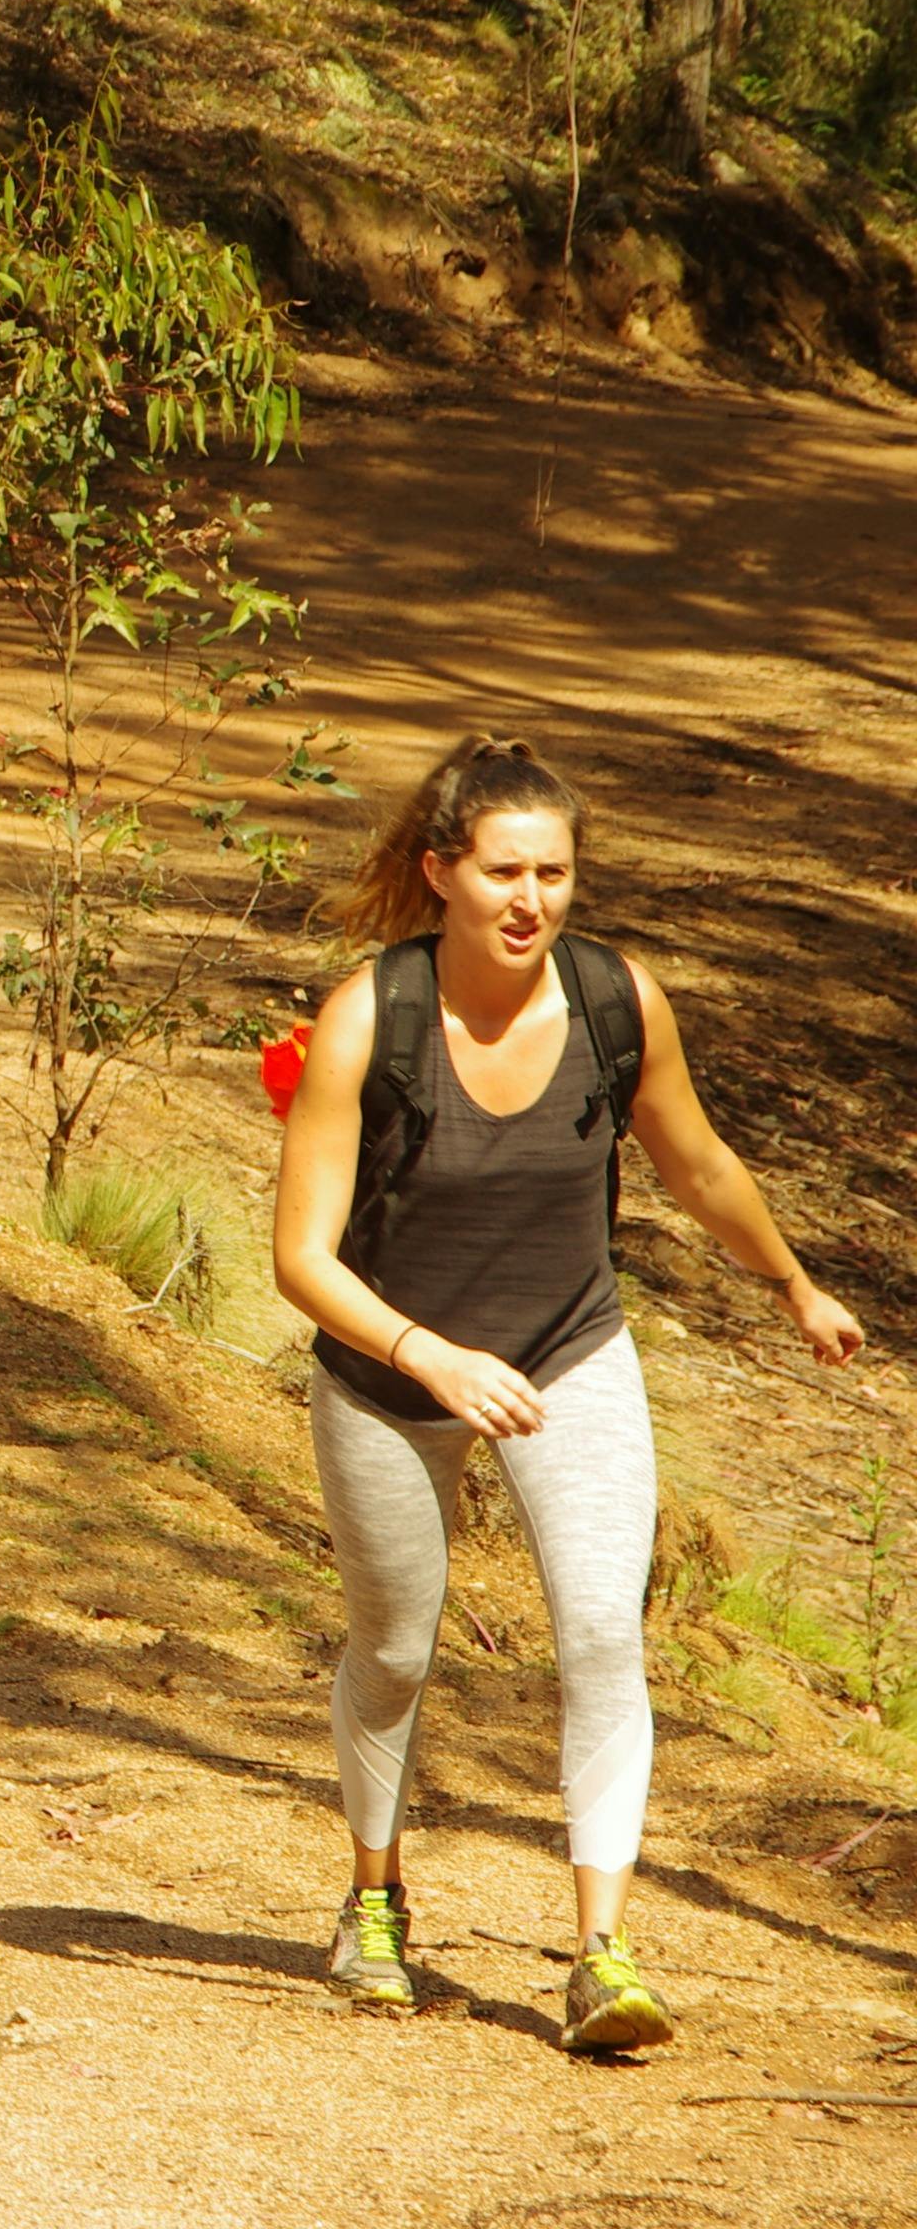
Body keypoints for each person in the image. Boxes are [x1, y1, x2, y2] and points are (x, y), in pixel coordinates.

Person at [272, 735, 865, 2054]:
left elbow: (699, 1165)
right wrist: (429, 1355)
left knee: (602, 1638)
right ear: (441, 872)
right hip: (389, 1375)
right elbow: (301, 1258)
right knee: (397, 1649)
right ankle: (374, 1904)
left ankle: (602, 1952)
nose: (530, 899)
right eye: (502, 872)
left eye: (554, 872)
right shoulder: (377, 1015)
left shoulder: (614, 1002)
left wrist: (792, 1287)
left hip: (568, 1351)